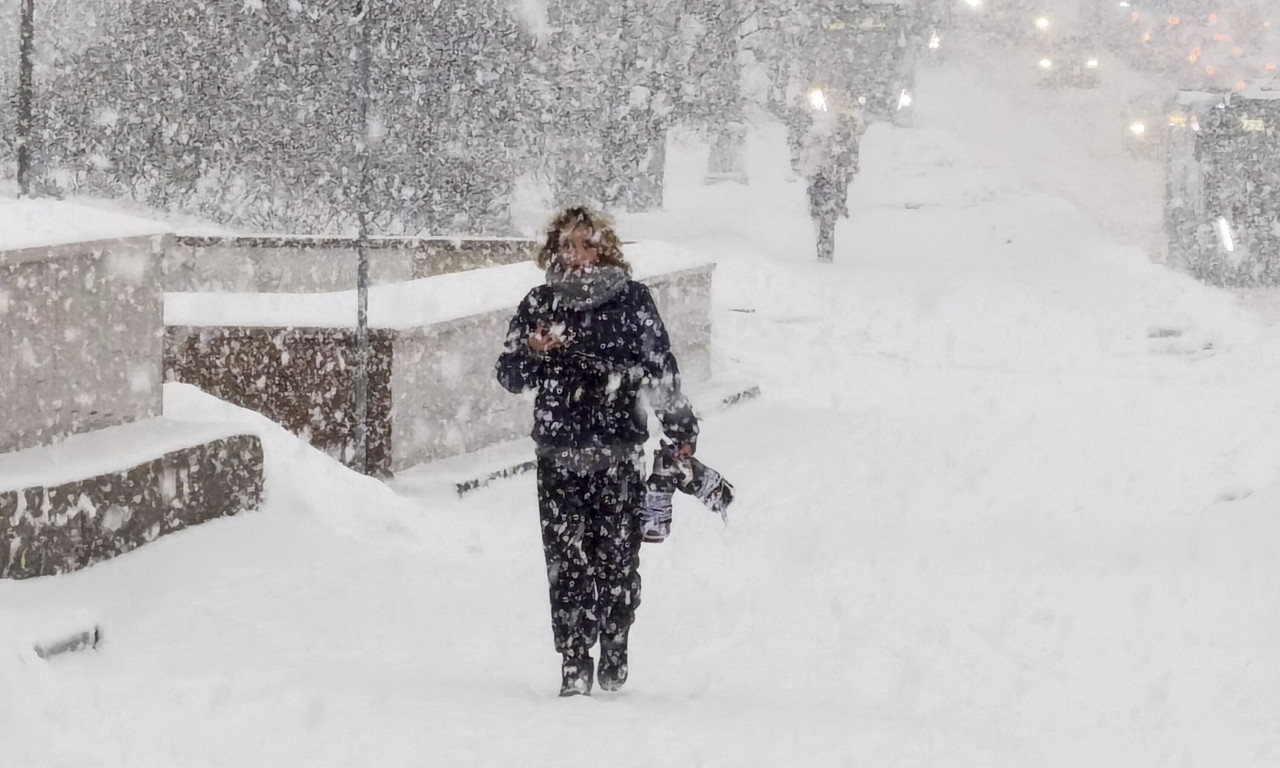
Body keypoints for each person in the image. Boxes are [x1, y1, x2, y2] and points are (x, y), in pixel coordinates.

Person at [495, 206, 699, 696]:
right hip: (558, 454)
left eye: (587, 244)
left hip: (618, 453)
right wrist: (532, 352)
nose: (578, 255)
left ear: (606, 248)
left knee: (616, 559)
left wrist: (681, 430)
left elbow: (659, 371)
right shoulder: (540, 303)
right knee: (566, 563)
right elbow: (509, 375)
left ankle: (614, 640)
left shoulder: (633, 302)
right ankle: (573, 659)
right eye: (568, 245)